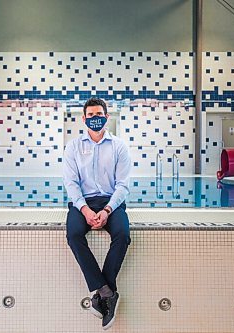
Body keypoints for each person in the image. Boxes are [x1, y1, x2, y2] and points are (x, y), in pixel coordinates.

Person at [63, 97, 131, 330]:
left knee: (122, 234)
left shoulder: (119, 146)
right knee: (73, 235)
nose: (95, 119)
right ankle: (107, 293)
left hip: (111, 203)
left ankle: (103, 292)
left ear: (106, 117)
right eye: (90, 116)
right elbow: (71, 183)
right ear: (83, 119)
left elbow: (123, 185)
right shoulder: (73, 146)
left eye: (98, 115)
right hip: (83, 202)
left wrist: (107, 209)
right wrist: (84, 209)